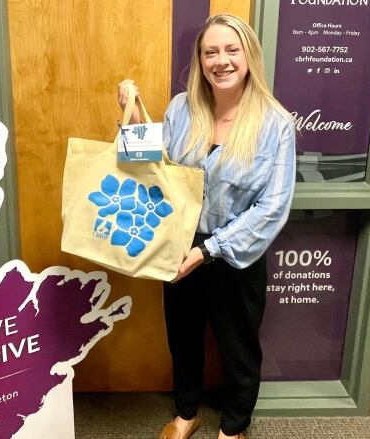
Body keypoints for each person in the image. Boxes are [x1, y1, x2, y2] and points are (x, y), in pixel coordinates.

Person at [117, 14, 295, 439]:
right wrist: (129, 109)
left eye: (231, 50)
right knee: (183, 335)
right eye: (211, 51)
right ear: (200, 60)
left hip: (237, 251)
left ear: (249, 55)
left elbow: (272, 206)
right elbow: (151, 170)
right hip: (178, 244)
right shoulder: (181, 109)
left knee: (238, 347)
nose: (222, 61)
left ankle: (233, 428)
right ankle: (186, 414)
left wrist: (208, 250)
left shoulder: (276, 123)